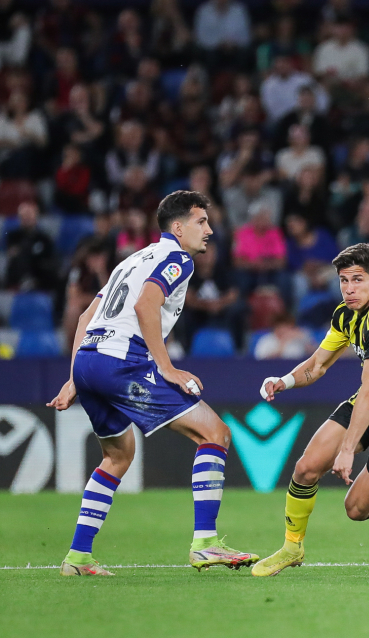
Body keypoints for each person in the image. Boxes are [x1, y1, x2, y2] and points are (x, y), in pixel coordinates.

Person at [47, 191, 258, 576]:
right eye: (201, 223)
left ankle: (78, 557)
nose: (209, 230)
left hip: (90, 361)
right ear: (178, 228)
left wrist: (74, 377)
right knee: (216, 434)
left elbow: (83, 319)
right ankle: (206, 544)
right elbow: (147, 305)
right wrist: (166, 368)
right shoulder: (178, 258)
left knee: (117, 457)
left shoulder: (131, 261)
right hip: (122, 363)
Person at [251, 243, 369, 576]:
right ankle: (291, 548)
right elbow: (318, 365)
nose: (349, 289)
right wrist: (285, 380)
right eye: (343, 281)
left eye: (358, 280)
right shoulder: (345, 314)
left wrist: (348, 450)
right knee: (306, 468)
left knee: (356, 510)